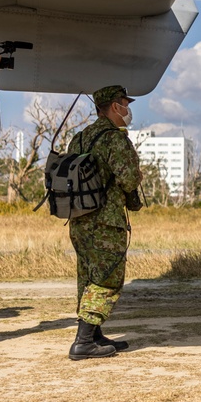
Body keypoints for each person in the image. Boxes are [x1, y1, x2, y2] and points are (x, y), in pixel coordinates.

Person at [66, 85, 142, 360]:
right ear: (113, 106)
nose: (128, 108)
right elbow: (130, 179)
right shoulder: (115, 139)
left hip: (79, 219)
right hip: (106, 221)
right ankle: (84, 341)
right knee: (107, 278)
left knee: (87, 277)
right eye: (124, 102)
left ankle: (95, 334)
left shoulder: (79, 138)